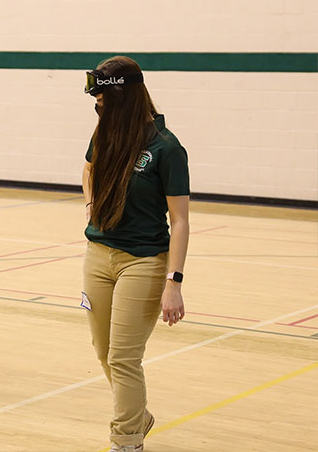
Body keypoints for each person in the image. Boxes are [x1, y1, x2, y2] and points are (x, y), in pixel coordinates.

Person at [81, 56, 190, 452]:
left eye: (102, 100)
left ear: (123, 97)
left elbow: (179, 220)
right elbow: (88, 170)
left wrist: (173, 283)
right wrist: (92, 204)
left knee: (124, 357)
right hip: (98, 255)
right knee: (102, 351)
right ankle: (138, 414)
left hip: (143, 261)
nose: (98, 107)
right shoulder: (104, 133)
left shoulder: (167, 148)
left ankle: (126, 440)